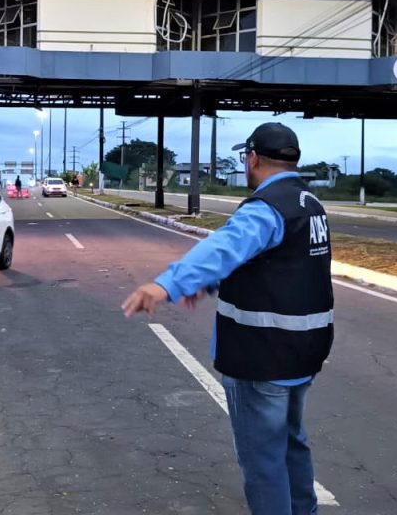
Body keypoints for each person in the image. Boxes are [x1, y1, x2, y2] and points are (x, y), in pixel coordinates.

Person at [122, 123, 333, 515]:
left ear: (252, 159)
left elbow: (224, 247)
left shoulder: (266, 207)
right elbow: (276, 265)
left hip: (261, 357)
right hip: (302, 352)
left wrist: (169, 284)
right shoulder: (309, 204)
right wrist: (209, 283)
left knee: (263, 460)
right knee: (291, 444)